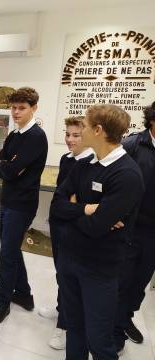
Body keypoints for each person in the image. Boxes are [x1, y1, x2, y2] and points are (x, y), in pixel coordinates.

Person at [50, 104, 144, 360]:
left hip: (99, 269)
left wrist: (76, 208)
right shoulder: (85, 163)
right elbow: (56, 205)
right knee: (75, 330)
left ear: (98, 130)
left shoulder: (127, 175)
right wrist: (90, 209)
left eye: (86, 125)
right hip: (69, 261)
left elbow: (95, 228)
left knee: (98, 339)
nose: (81, 129)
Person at [0, 87, 48, 325]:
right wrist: (6, 166)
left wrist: (6, 167)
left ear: (34, 108)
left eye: (22, 108)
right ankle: (24, 294)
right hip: (8, 200)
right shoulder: (14, 135)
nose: (16, 112)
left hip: (22, 204)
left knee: (7, 253)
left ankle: (2, 302)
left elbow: (8, 170)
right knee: (10, 249)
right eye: (13, 107)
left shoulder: (36, 137)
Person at [39, 116, 93, 350]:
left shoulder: (91, 164)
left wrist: (71, 204)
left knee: (70, 277)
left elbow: (80, 204)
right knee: (61, 272)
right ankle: (62, 311)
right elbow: (63, 198)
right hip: (58, 223)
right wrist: (68, 204)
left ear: (88, 135)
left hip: (75, 228)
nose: (70, 140)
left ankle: (64, 325)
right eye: (67, 134)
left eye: (76, 135)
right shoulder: (66, 159)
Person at [114, 101, 155, 351]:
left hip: (154, 234)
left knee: (140, 282)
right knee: (122, 280)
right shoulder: (131, 145)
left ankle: (125, 317)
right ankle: (114, 330)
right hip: (131, 229)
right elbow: (111, 181)